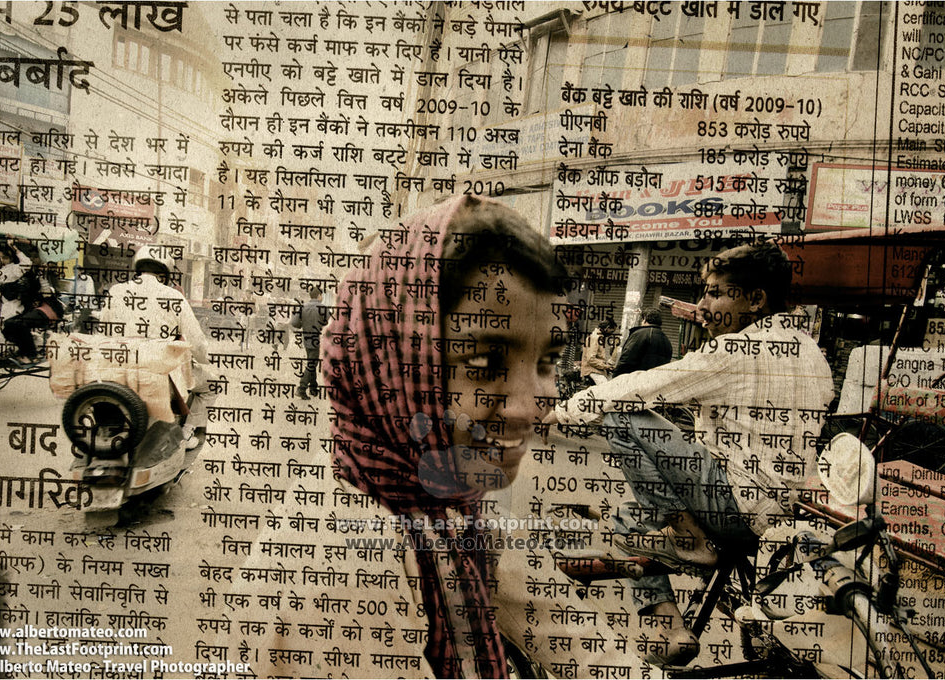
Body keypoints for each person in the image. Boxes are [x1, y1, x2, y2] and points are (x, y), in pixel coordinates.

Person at [230, 195, 646, 678]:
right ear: (387, 369)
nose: (535, 403)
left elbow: (562, 625)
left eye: (547, 360)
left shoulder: (448, 503)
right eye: (485, 365)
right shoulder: (338, 566)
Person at [547, 241, 834, 667]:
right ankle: (673, 630)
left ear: (756, 299)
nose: (702, 305)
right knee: (632, 515)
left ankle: (689, 541)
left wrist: (560, 412)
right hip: (782, 513)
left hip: (736, 507)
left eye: (716, 293)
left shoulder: (736, 351)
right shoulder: (811, 352)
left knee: (621, 416)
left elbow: (636, 388)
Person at [98, 245, 210, 445]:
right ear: (165, 273)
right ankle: (187, 432)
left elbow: (103, 332)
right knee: (212, 386)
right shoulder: (174, 296)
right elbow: (197, 341)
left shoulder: (115, 291)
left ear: (138, 269)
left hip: (119, 371)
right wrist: (204, 358)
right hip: (159, 375)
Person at [289, 286, 327, 399]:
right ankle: (301, 388)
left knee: (312, 361)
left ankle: (313, 388)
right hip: (318, 339)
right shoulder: (323, 308)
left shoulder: (303, 307)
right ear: (319, 296)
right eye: (322, 296)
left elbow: (294, 323)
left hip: (306, 339)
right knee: (312, 364)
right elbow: (329, 323)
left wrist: (303, 325)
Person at [612, 307, 672, 377]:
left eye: (642, 319)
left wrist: (616, 376)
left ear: (645, 319)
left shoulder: (640, 334)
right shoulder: (666, 339)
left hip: (636, 379)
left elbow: (627, 359)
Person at [580, 318, 617, 385]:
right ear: (607, 328)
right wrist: (606, 366)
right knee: (605, 388)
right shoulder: (595, 338)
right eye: (611, 331)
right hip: (592, 370)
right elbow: (591, 359)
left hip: (597, 370)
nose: (611, 334)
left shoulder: (599, 337)